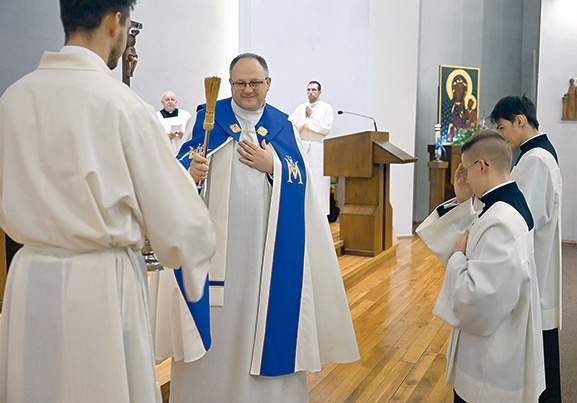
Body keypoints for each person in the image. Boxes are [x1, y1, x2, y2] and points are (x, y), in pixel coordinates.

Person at [0, 1, 216, 402]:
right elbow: (181, 221)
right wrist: (192, 259)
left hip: (27, 279)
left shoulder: (13, 99)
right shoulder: (122, 104)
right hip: (98, 284)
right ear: (117, 21)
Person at [153, 53, 359, 403]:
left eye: (254, 82)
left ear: (268, 83)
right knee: (216, 337)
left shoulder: (283, 126)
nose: (247, 89)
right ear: (230, 84)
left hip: (267, 257)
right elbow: (179, 176)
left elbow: (302, 182)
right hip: (216, 259)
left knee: (265, 329)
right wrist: (193, 175)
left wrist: (273, 164)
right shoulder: (208, 120)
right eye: (239, 83)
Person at [416, 130, 546, 402]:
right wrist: (464, 199)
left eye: (465, 169)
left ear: (482, 166)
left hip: (491, 365)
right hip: (499, 345)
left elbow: (477, 300)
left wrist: (457, 259)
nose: (462, 176)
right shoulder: (509, 202)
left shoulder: (500, 220)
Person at [490, 95, 563, 402]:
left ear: (520, 120)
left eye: (502, 127)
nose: (502, 135)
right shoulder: (541, 152)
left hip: (535, 269)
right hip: (540, 263)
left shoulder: (534, 160)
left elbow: (523, 219)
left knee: (539, 360)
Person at [289, 80, 334, 214]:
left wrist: (311, 117)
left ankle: (319, 213)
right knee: (302, 177)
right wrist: (305, 120)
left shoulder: (326, 108)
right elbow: (293, 126)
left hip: (317, 147)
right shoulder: (300, 108)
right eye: (308, 90)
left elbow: (325, 129)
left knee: (318, 179)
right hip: (302, 145)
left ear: (320, 92)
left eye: (314, 90)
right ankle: (301, 210)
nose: (311, 92)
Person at [156, 90, 192, 155]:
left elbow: (191, 133)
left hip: (182, 149)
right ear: (162, 102)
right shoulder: (157, 116)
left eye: (172, 99)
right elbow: (155, 136)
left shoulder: (185, 115)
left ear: (176, 102)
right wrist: (167, 137)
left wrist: (183, 135)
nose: (170, 102)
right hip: (166, 151)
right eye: (167, 100)